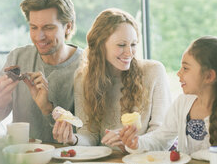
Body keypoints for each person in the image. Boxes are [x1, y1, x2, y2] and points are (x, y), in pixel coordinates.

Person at [120, 36, 217, 164]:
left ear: (209, 76)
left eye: (185, 68)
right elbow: (160, 138)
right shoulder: (182, 103)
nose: (179, 73)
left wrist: (195, 156)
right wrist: (137, 143)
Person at [52, 8, 171, 150]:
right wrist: (73, 139)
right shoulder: (83, 78)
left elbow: (163, 136)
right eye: (121, 45)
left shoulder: (154, 72)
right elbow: (89, 135)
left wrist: (133, 142)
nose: (129, 52)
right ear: (100, 45)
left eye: (133, 44)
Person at [0, 0, 83, 142]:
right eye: (33, 27)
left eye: (48, 27)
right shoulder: (18, 58)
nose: (39, 36)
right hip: (24, 157)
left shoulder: (86, 66)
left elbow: (90, 135)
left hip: (69, 159)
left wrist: (49, 109)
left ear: (68, 26)